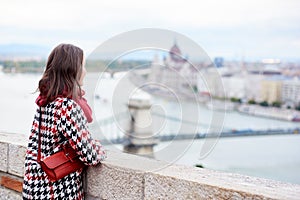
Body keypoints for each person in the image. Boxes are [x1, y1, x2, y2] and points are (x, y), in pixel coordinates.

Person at [22, 44, 107, 199]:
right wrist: (98, 146)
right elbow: (91, 155)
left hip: (34, 187)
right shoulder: (67, 106)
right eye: (83, 66)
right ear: (73, 70)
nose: (85, 72)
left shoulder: (45, 101)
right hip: (56, 191)